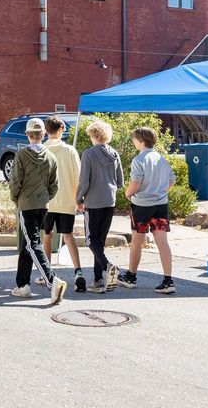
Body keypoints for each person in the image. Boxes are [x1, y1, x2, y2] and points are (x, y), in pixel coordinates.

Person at [8, 117, 65, 304]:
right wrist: (45, 198)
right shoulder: (50, 156)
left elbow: (15, 181)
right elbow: (54, 185)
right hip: (43, 206)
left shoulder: (22, 155)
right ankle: (23, 285)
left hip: (27, 204)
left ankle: (51, 280)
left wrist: (16, 198)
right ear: (43, 135)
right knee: (28, 244)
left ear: (27, 134)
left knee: (32, 244)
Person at [122, 127, 176, 294]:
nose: (133, 141)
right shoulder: (161, 159)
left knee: (137, 241)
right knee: (162, 241)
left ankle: (131, 276)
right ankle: (168, 280)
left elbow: (136, 182)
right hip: (161, 204)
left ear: (141, 141)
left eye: (134, 139)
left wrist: (128, 193)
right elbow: (172, 180)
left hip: (142, 205)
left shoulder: (139, 160)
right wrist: (161, 190)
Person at [76, 120, 124, 294]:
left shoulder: (88, 154)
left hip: (93, 201)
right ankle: (97, 279)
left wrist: (79, 198)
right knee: (100, 241)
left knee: (90, 239)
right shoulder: (115, 153)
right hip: (109, 200)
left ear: (94, 135)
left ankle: (106, 266)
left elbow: (84, 180)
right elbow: (120, 182)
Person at [41, 115, 84, 291]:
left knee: (47, 235)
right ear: (61, 130)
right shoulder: (70, 151)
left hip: (47, 202)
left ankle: (47, 272)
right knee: (68, 235)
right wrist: (79, 199)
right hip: (67, 200)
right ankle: (78, 271)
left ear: (46, 131)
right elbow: (79, 177)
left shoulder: (42, 150)